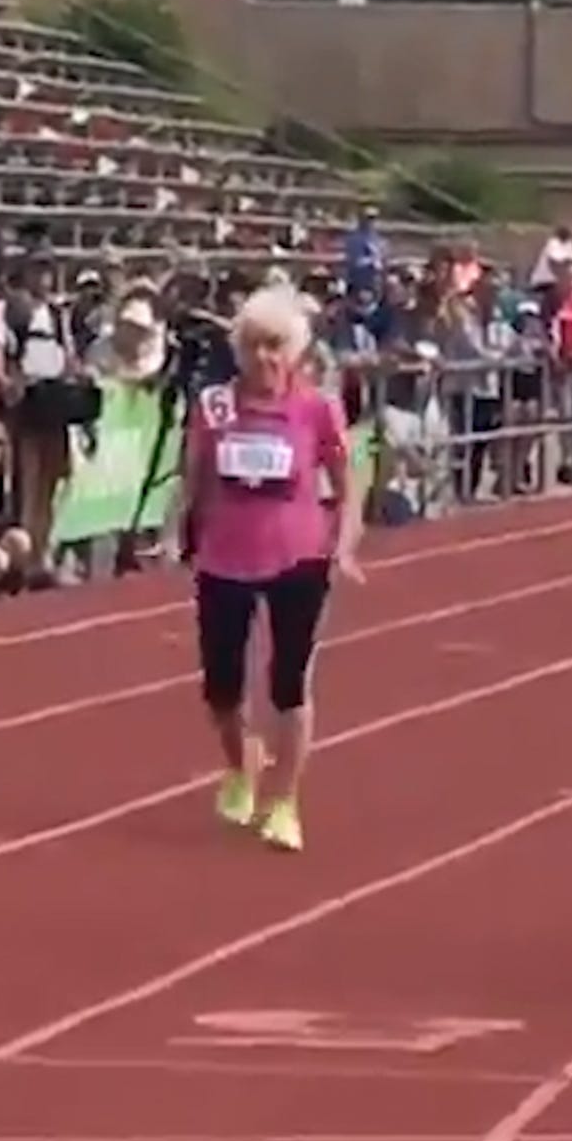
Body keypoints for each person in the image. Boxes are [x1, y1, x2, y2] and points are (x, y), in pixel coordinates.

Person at [172, 285, 365, 850]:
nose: (264, 356)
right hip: (224, 558)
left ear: (295, 350)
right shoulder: (215, 406)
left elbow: (348, 484)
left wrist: (345, 544)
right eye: (254, 345)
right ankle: (240, 768)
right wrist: (174, 532)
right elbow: (193, 478)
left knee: (289, 682)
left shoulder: (316, 408)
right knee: (222, 687)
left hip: (298, 557)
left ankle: (284, 801)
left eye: (275, 345)